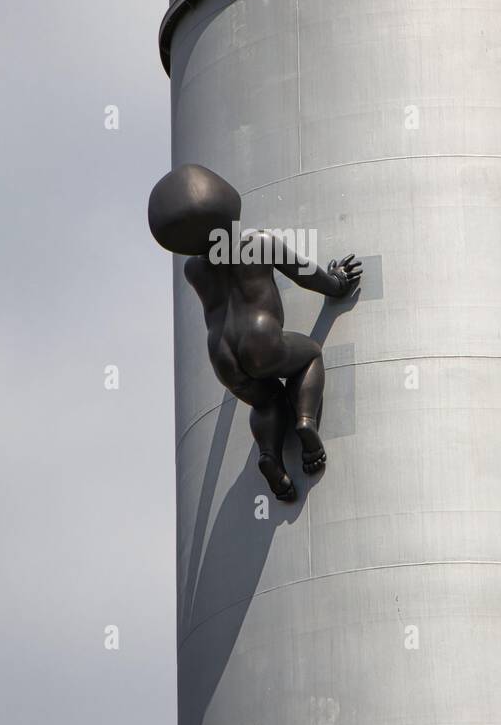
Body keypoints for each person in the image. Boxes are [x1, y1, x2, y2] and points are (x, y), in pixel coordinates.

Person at [149, 164, 361, 500]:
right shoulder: (257, 243)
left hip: (222, 355)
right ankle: (306, 422)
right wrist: (336, 283)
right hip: (261, 338)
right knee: (309, 356)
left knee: (265, 400)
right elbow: (304, 274)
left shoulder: (194, 270)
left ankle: (269, 456)